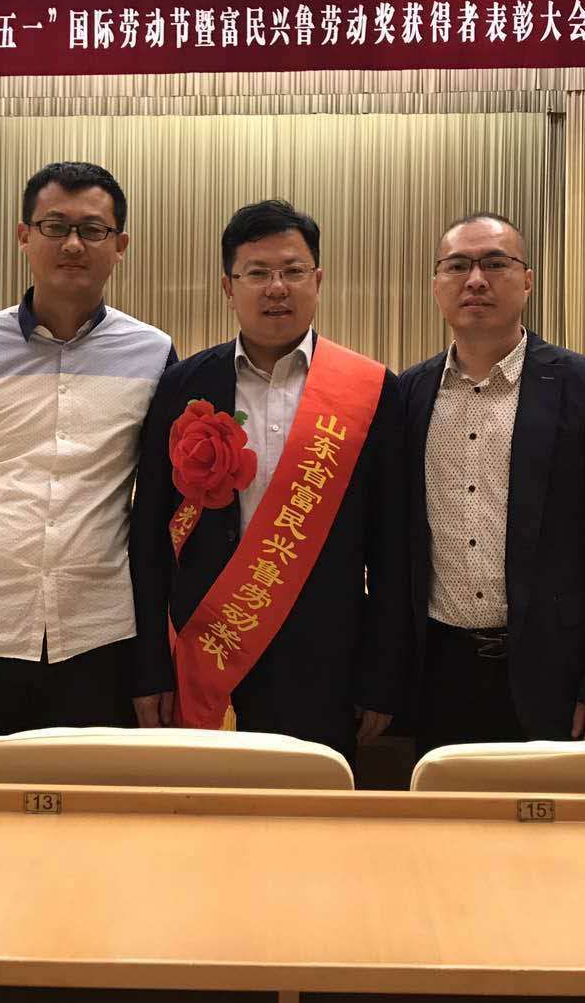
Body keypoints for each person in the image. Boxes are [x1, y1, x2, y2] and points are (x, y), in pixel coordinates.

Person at [0, 161, 176, 778]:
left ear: (120, 245)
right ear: (24, 236)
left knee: (92, 809)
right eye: (55, 226)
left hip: (99, 633)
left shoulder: (154, 355)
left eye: (93, 229)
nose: (73, 244)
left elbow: (160, 510)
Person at [130, 199, 408, 763]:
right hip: (204, 651)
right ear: (228, 288)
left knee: (311, 807)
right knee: (202, 803)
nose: (276, 288)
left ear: (318, 280)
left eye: (292, 271)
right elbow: (148, 541)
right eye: (257, 273)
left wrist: (382, 676)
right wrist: (148, 666)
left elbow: (394, 548)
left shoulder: (372, 391)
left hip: (327, 664)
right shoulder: (182, 386)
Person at [400, 213, 585, 753]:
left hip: (558, 674)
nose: (475, 280)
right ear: (436, 284)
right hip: (436, 672)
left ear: (528, 280)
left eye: (495, 263)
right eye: (457, 266)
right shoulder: (408, 393)